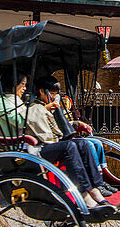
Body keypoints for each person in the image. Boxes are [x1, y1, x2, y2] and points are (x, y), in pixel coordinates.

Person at [26, 76, 114, 211]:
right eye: (52, 93)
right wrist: (47, 110)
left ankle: (96, 187)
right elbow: (46, 135)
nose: (54, 97)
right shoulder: (35, 108)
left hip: (52, 142)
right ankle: (84, 192)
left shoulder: (47, 107)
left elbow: (57, 127)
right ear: (42, 92)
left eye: (56, 94)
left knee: (83, 143)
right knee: (70, 146)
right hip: (40, 147)